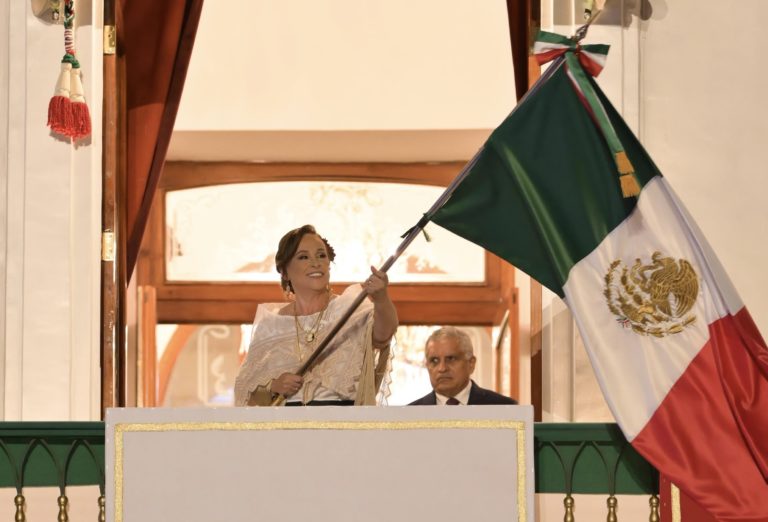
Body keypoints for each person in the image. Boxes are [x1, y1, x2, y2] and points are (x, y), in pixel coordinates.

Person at [234, 224, 398, 406]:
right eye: (303, 257)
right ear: (285, 272)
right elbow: (246, 393)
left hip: (343, 419)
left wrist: (381, 298)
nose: (315, 263)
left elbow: (383, 336)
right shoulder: (271, 326)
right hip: (286, 422)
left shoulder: (350, 307)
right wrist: (274, 386)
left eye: (321, 255)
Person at [409, 326, 517, 405]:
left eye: (451, 359)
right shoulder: (409, 415)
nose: (442, 368)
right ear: (427, 366)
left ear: (471, 364)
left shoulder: (503, 407)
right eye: (434, 361)